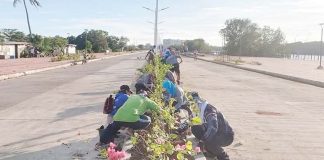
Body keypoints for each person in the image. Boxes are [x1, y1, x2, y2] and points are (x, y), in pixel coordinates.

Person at [190, 92, 234, 160]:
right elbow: (190, 121)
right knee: (195, 128)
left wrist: (202, 141)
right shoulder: (197, 108)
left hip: (226, 135)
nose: (190, 106)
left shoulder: (209, 110)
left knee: (208, 140)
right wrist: (179, 130)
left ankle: (223, 156)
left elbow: (213, 128)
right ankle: (211, 152)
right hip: (217, 132)